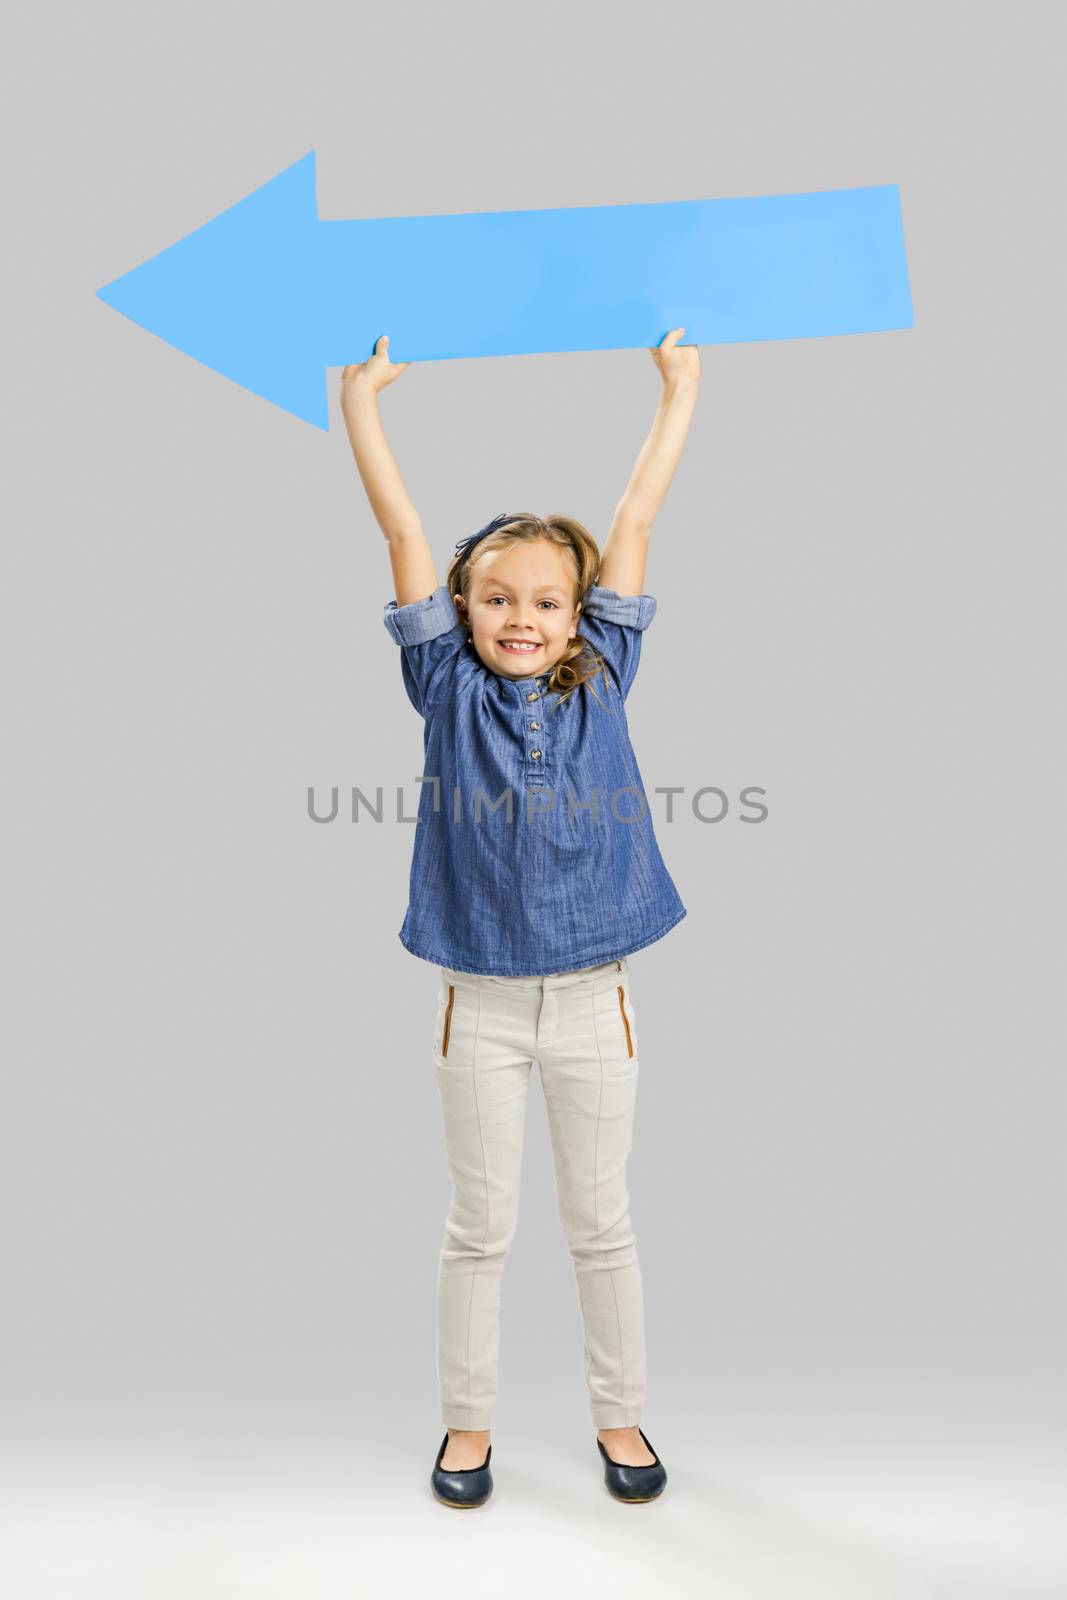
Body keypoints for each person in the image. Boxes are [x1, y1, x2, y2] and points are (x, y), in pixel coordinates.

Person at [340, 329, 700, 1506]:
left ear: (580, 608)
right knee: (479, 1227)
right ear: (460, 606)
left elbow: (635, 520)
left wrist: (675, 392)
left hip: (594, 1000)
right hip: (481, 1003)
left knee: (602, 1223)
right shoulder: (441, 681)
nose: (521, 615)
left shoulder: (605, 663)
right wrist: (363, 408)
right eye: (495, 597)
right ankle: (466, 1427)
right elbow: (400, 531)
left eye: (546, 598)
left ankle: (621, 1418)